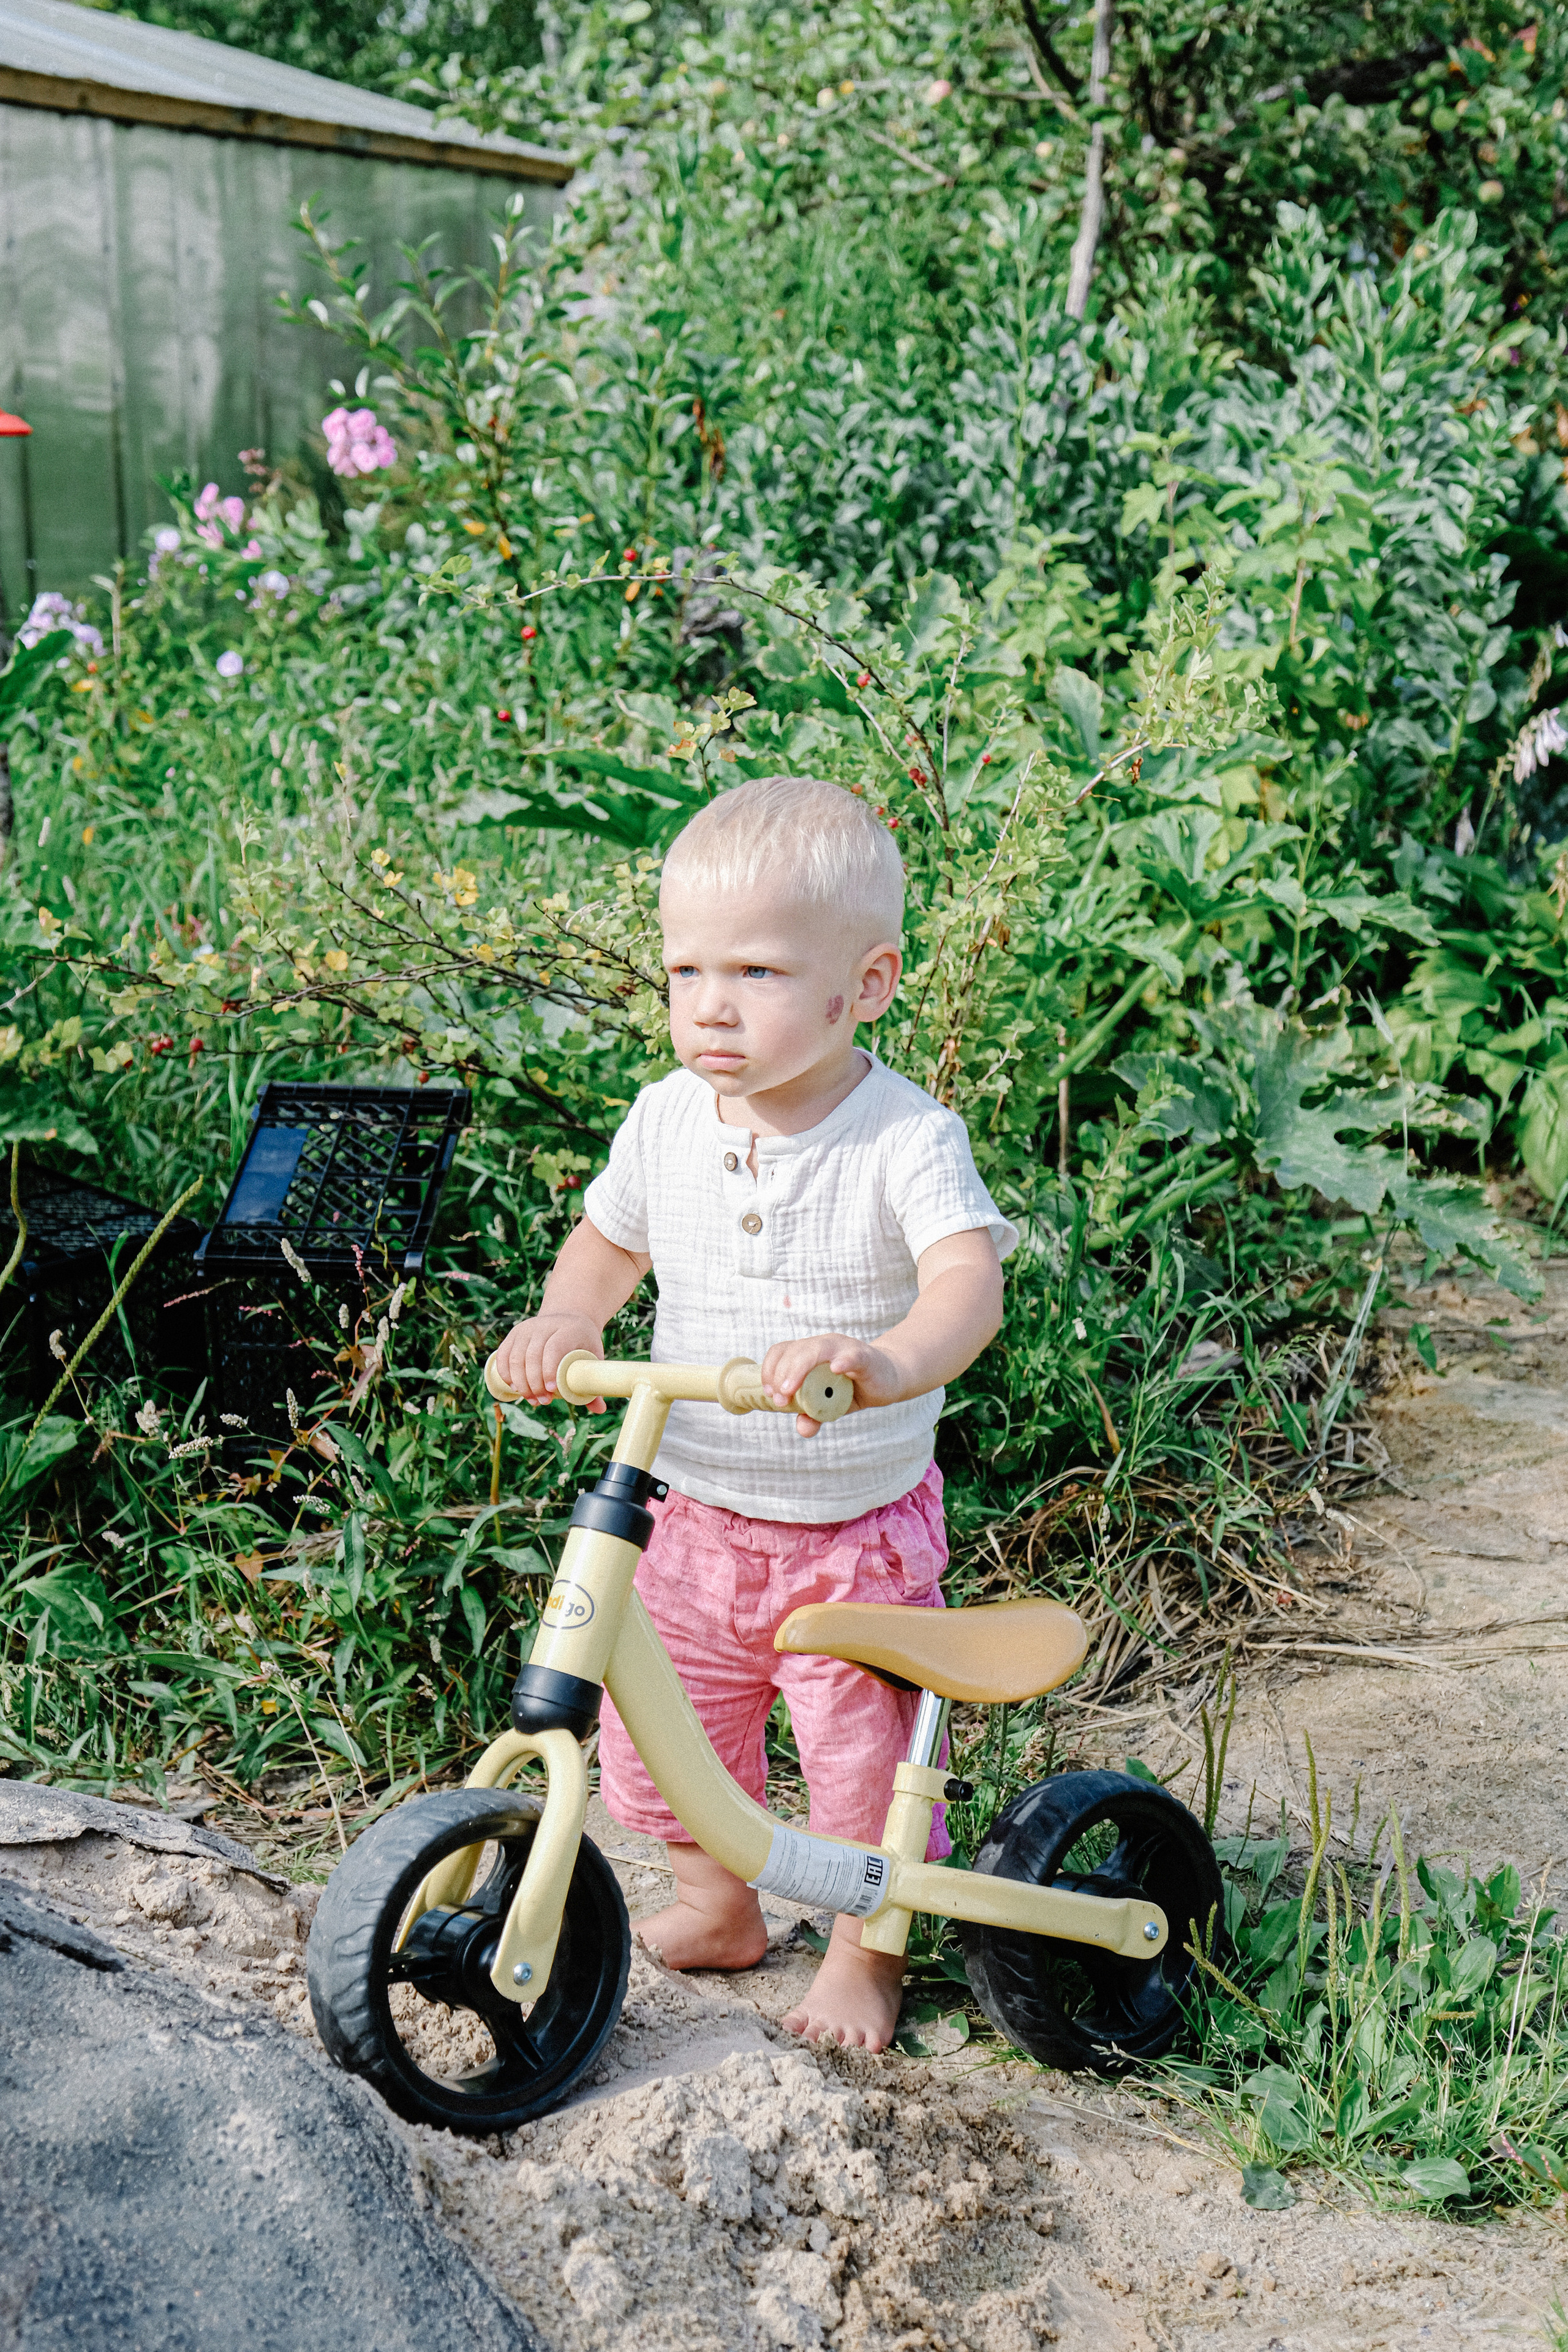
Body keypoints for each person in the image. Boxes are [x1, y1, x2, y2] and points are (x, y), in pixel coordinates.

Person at [491, 774, 1016, 2049]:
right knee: (666, 1729)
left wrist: (886, 1361)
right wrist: (570, 1317)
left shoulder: (903, 1136)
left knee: (852, 1756)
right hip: (699, 1511)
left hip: (850, 1527)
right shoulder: (667, 1119)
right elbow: (607, 1243)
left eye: (759, 973)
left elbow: (966, 1286)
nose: (710, 1005)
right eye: (685, 972)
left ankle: (860, 1953)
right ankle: (720, 1902)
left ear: (867, 986)